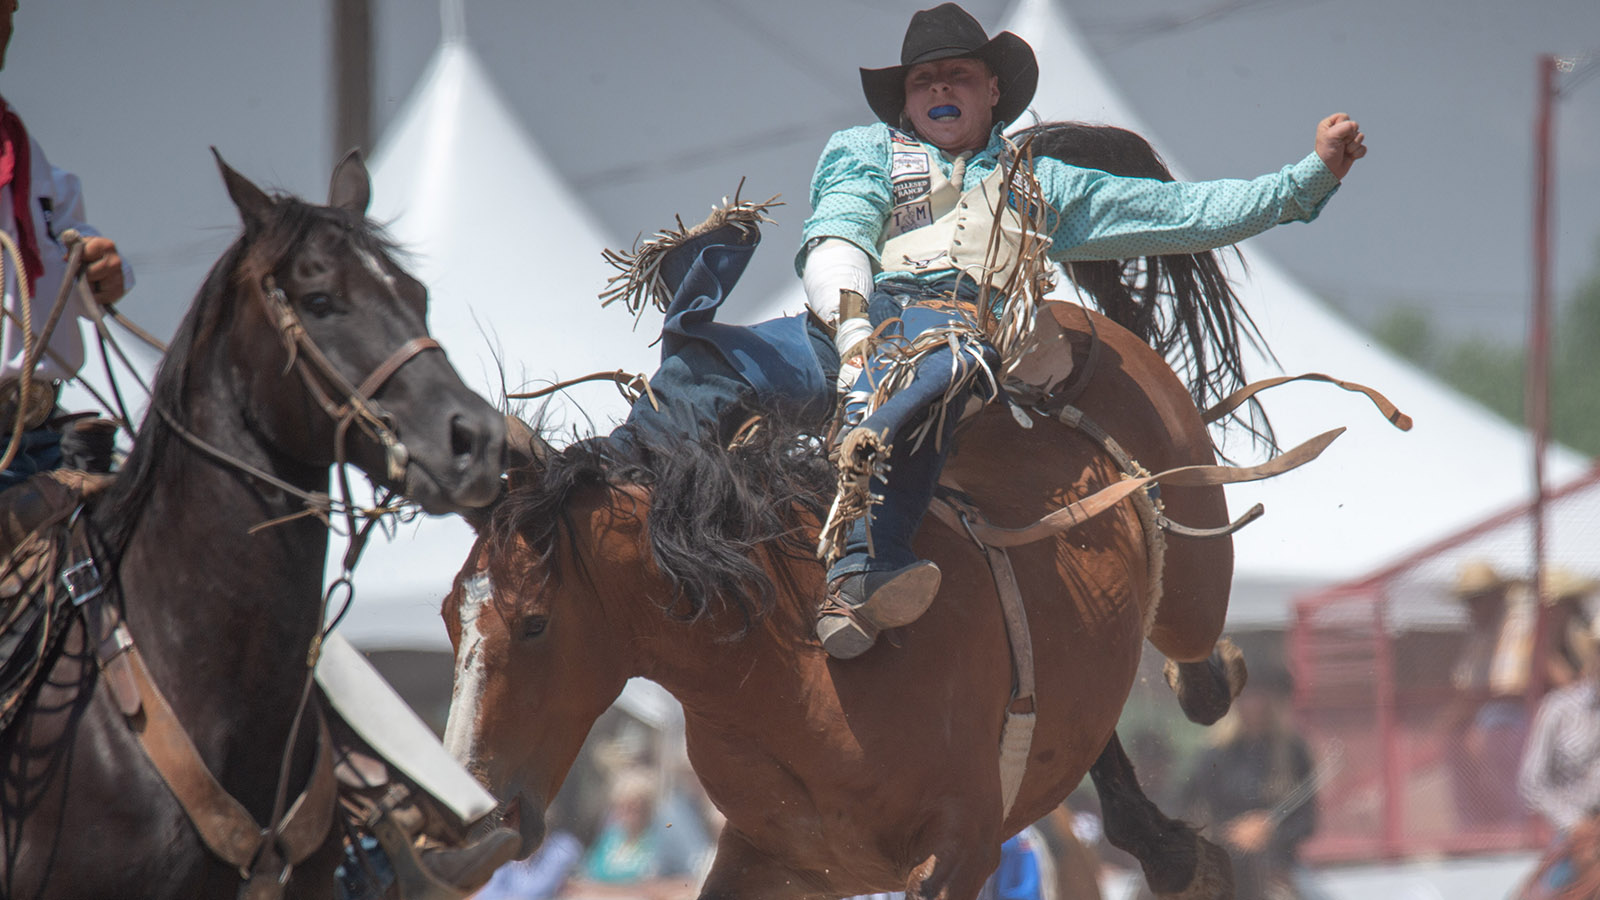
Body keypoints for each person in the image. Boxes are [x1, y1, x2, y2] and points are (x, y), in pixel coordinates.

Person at [797, 2, 1366, 658]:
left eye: (959, 75)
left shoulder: (1039, 182)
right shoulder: (865, 161)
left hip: (975, 350)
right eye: (925, 80)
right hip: (861, 332)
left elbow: (1183, 211)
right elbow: (835, 236)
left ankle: (870, 565)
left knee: (950, 381)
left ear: (993, 90)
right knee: (728, 386)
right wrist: (850, 335)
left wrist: (1309, 177)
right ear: (905, 102)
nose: (942, 89)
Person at [0, 0, 130, 488]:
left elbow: (71, 243)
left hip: (39, 436)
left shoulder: (29, 161)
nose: (8, 18)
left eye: (9, 7)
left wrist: (103, 270)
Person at [1179, 664, 1321, 900]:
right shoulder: (1213, 754)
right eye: (1245, 696)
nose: (1254, 703)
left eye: (1261, 695)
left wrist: (1271, 832)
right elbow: (1188, 808)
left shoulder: (1294, 751)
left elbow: (1307, 820)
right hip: (1221, 861)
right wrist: (1229, 832)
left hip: (1278, 865)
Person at [1517, 618, 1600, 899]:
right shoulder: (1559, 710)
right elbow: (1532, 782)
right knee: (1548, 890)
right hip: (1575, 832)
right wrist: (1575, 825)